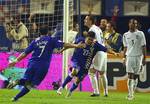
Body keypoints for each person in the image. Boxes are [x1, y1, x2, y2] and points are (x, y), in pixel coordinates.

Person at [7, 25, 85, 102]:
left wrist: (16, 61)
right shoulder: (51, 40)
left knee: (26, 81)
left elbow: (25, 53)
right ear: (48, 32)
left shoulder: (35, 40)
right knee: (30, 85)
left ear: (39, 32)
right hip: (42, 66)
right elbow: (65, 44)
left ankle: (16, 93)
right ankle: (16, 95)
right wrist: (76, 45)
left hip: (32, 63)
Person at [57, 31, 117, 97]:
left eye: (92, 40)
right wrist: (62, 50)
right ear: (86, 38)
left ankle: (70, 91)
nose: (90, 41)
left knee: (78, 81)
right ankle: (61, 88)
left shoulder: (95, 45)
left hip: (85, 66)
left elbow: (105, 49)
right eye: (89, 39)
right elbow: (70, 45)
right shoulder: (80, 40)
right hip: (76, 61)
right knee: (74, 71)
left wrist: (114, 53)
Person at [84, 15, 108, 97]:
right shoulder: (98, 28)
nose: (84, 20)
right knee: (102, 73)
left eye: (86, 19)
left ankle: (96, 91)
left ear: (91, 21)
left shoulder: (92, 29)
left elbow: (92, 42)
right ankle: (105, 92)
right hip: (103, 52)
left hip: (98, 52)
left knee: (91, 72)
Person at [123, 19, 146, 100]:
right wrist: (123, 58)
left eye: (135, 23)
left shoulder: (140, 33)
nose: (134, 25)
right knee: (130, 75)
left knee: (136, 76)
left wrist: (144, 58)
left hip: (139, 57)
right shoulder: (125, 35)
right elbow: (125, 47)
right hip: (129, 57)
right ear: (129, 24)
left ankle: (132, 92)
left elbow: (143, 46)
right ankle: (130, 94)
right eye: (132, 23)